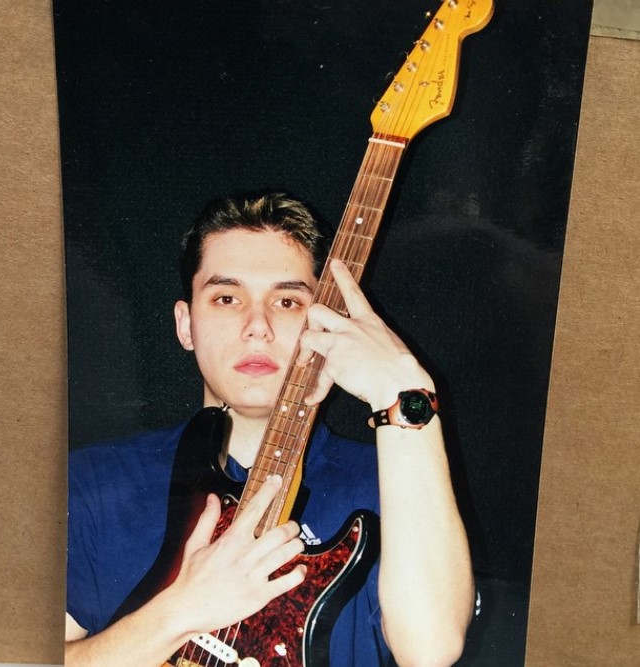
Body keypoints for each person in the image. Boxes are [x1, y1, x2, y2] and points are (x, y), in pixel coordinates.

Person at [65, 192, 474, 667]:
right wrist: (179, 612)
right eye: (226, 297)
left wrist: (403, 392)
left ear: (326, 325)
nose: (257, 326)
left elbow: (432, 649)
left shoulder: (393, 479)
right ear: (186, 325)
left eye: (286, 300)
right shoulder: (93, 483)